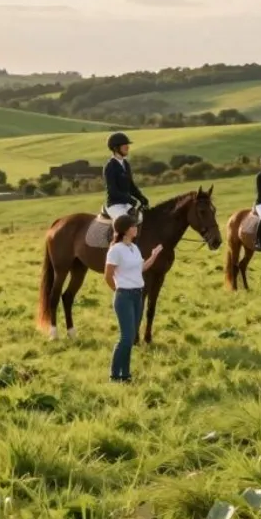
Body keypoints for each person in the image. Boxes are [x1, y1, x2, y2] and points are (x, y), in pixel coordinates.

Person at [104, 215, 162, 383]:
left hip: (137, 296)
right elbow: (108, 275)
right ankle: (115, 375)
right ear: (125, 230)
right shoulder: (115, 250)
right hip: (124, 297)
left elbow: (141, 268)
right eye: (133, 226)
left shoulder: (134, 248)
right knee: (126, 337)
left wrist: (154, 255)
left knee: (131, 339)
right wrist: (119, 290)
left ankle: (126, 375)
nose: (136, 228)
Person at [104, 132, 150, 221]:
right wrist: (130, 199)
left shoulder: (126, 164)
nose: (127, 147)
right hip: (115, 205)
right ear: (115, 148)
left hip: (126, 204)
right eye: (124, 145)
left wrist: (142, 198)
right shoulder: (110, 166)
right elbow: (112, 191)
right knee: (125, 221)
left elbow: (131, 186)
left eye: (127, 144)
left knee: (141, 219)